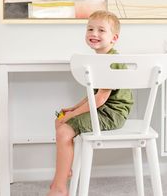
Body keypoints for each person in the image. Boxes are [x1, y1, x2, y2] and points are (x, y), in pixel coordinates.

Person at [47, 10, 134, 196]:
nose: (94, 34)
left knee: (63, 128)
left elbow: (101, 99)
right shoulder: (99, 60)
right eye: (90, 29)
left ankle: (60, 187)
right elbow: (94, 95)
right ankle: (65, 171)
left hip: (111, 114)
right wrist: (73, 108)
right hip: (102, 109)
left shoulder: (111, 61)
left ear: (114, 38)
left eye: (101, 30)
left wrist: (72, 115)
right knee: (60, 120)